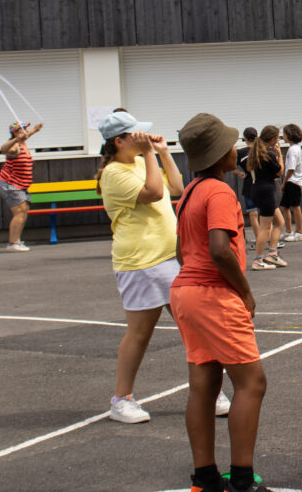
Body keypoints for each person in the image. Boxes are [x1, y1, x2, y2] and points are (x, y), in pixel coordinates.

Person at [95, 111, 231, 424]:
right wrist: (147, 153)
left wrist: (164, 153)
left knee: (195, 326)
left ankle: (210, 392)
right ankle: (121, 399)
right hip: (141, 262)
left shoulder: (142, 161)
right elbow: (154, 193)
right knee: (140, 333)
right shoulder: (114, 173)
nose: (143, 138)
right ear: (119, 141)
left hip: (170, 257)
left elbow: (178, 187)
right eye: (136, 135)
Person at [172, 113, 273, 492]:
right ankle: (243, 479)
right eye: (230, 145)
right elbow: (219, 248)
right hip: (214, 295)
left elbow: (183, 252)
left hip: (186, 292)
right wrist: (244, 291)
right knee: (252, 383)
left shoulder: (189, 192)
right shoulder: (218, 192)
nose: (236, 150)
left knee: (203, 385)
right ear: (219, 155)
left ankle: (206, 478)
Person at [0, 120, 43, 251]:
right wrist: (16, 139)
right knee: (19, 211)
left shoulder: (23, 142)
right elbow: (3, 149)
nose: (25, 132)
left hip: (20, 184)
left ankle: (16, 240)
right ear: (15, 133)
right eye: (22, 130)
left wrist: (35, 130)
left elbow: (26, 135)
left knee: (24, 210)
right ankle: (13, 244)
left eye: (25, 129)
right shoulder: (15, 147)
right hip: (10, 184)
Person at [248, 126, 287, 270]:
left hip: (257, 190)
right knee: (264, 228)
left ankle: (272, 253)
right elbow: (279, 172)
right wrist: (279, 155)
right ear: (271, 138)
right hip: (266, 192)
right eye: (277, 137)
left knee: (280, 222)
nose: (278, 140)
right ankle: (258, 260)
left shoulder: (256, 152)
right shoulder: (269, 154)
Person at [280, 123, 302, 242]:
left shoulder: (292, 150)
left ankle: (299, 232)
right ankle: (289, 231)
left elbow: (291, 168)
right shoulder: (297, 148)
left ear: (289, 135)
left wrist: (284, 182)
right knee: (284, 206)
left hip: (293, 181)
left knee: (295, 206)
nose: (282, 137)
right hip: (295, 180)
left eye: (284, 134)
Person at [236, 127, 259, 248]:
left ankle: (258, 239)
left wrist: (239, 173)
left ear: (244, 138)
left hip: (249, 184)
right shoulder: (261, 150)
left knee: (253, 214)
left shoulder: (241, 152)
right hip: (262, 183)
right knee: (267, 213)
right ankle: (271, 239)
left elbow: (230, 166)